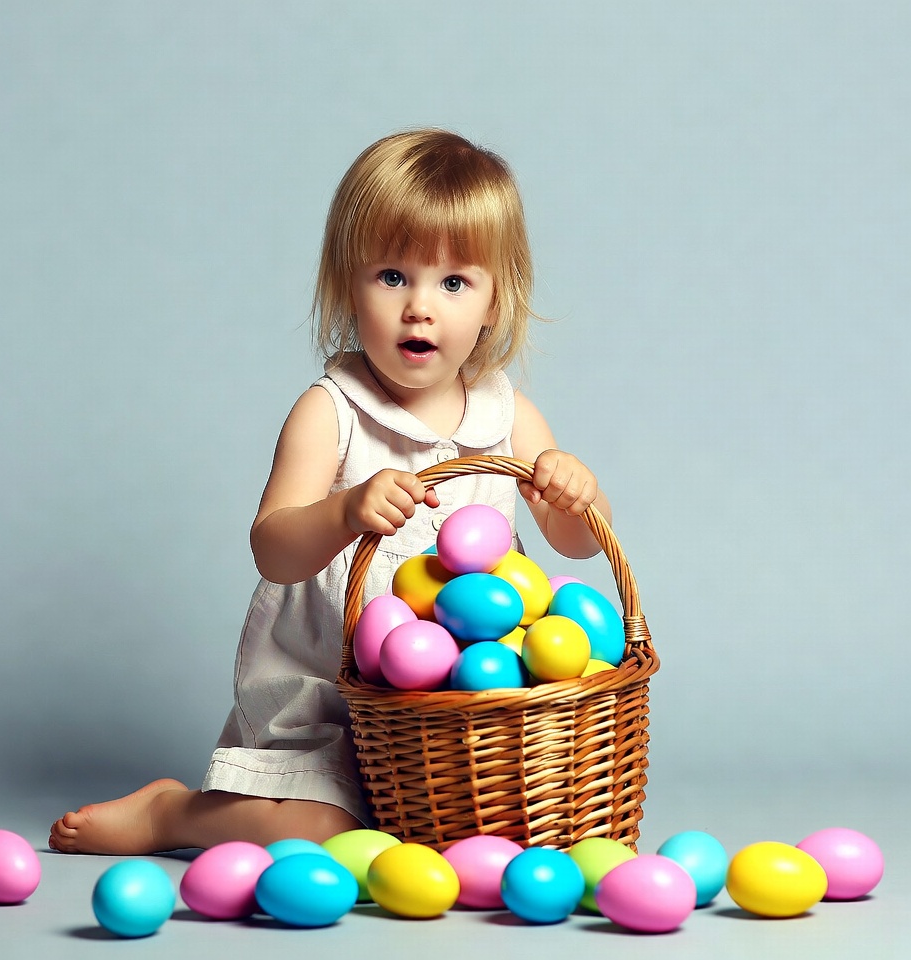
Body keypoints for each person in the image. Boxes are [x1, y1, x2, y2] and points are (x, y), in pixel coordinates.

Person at [49, 128, 612, 856]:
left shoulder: (508, 415)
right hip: (331, 686)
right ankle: (176, 815)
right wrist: (344, 511)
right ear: (348, 285)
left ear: (495, 302)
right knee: (328, 829)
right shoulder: (332, 411)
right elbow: (273, 549)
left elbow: (577, 544)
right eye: (392, 276)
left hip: (454, 702)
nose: (420, 308)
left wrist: (577, 494)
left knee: (467, 823)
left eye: (453, 283)